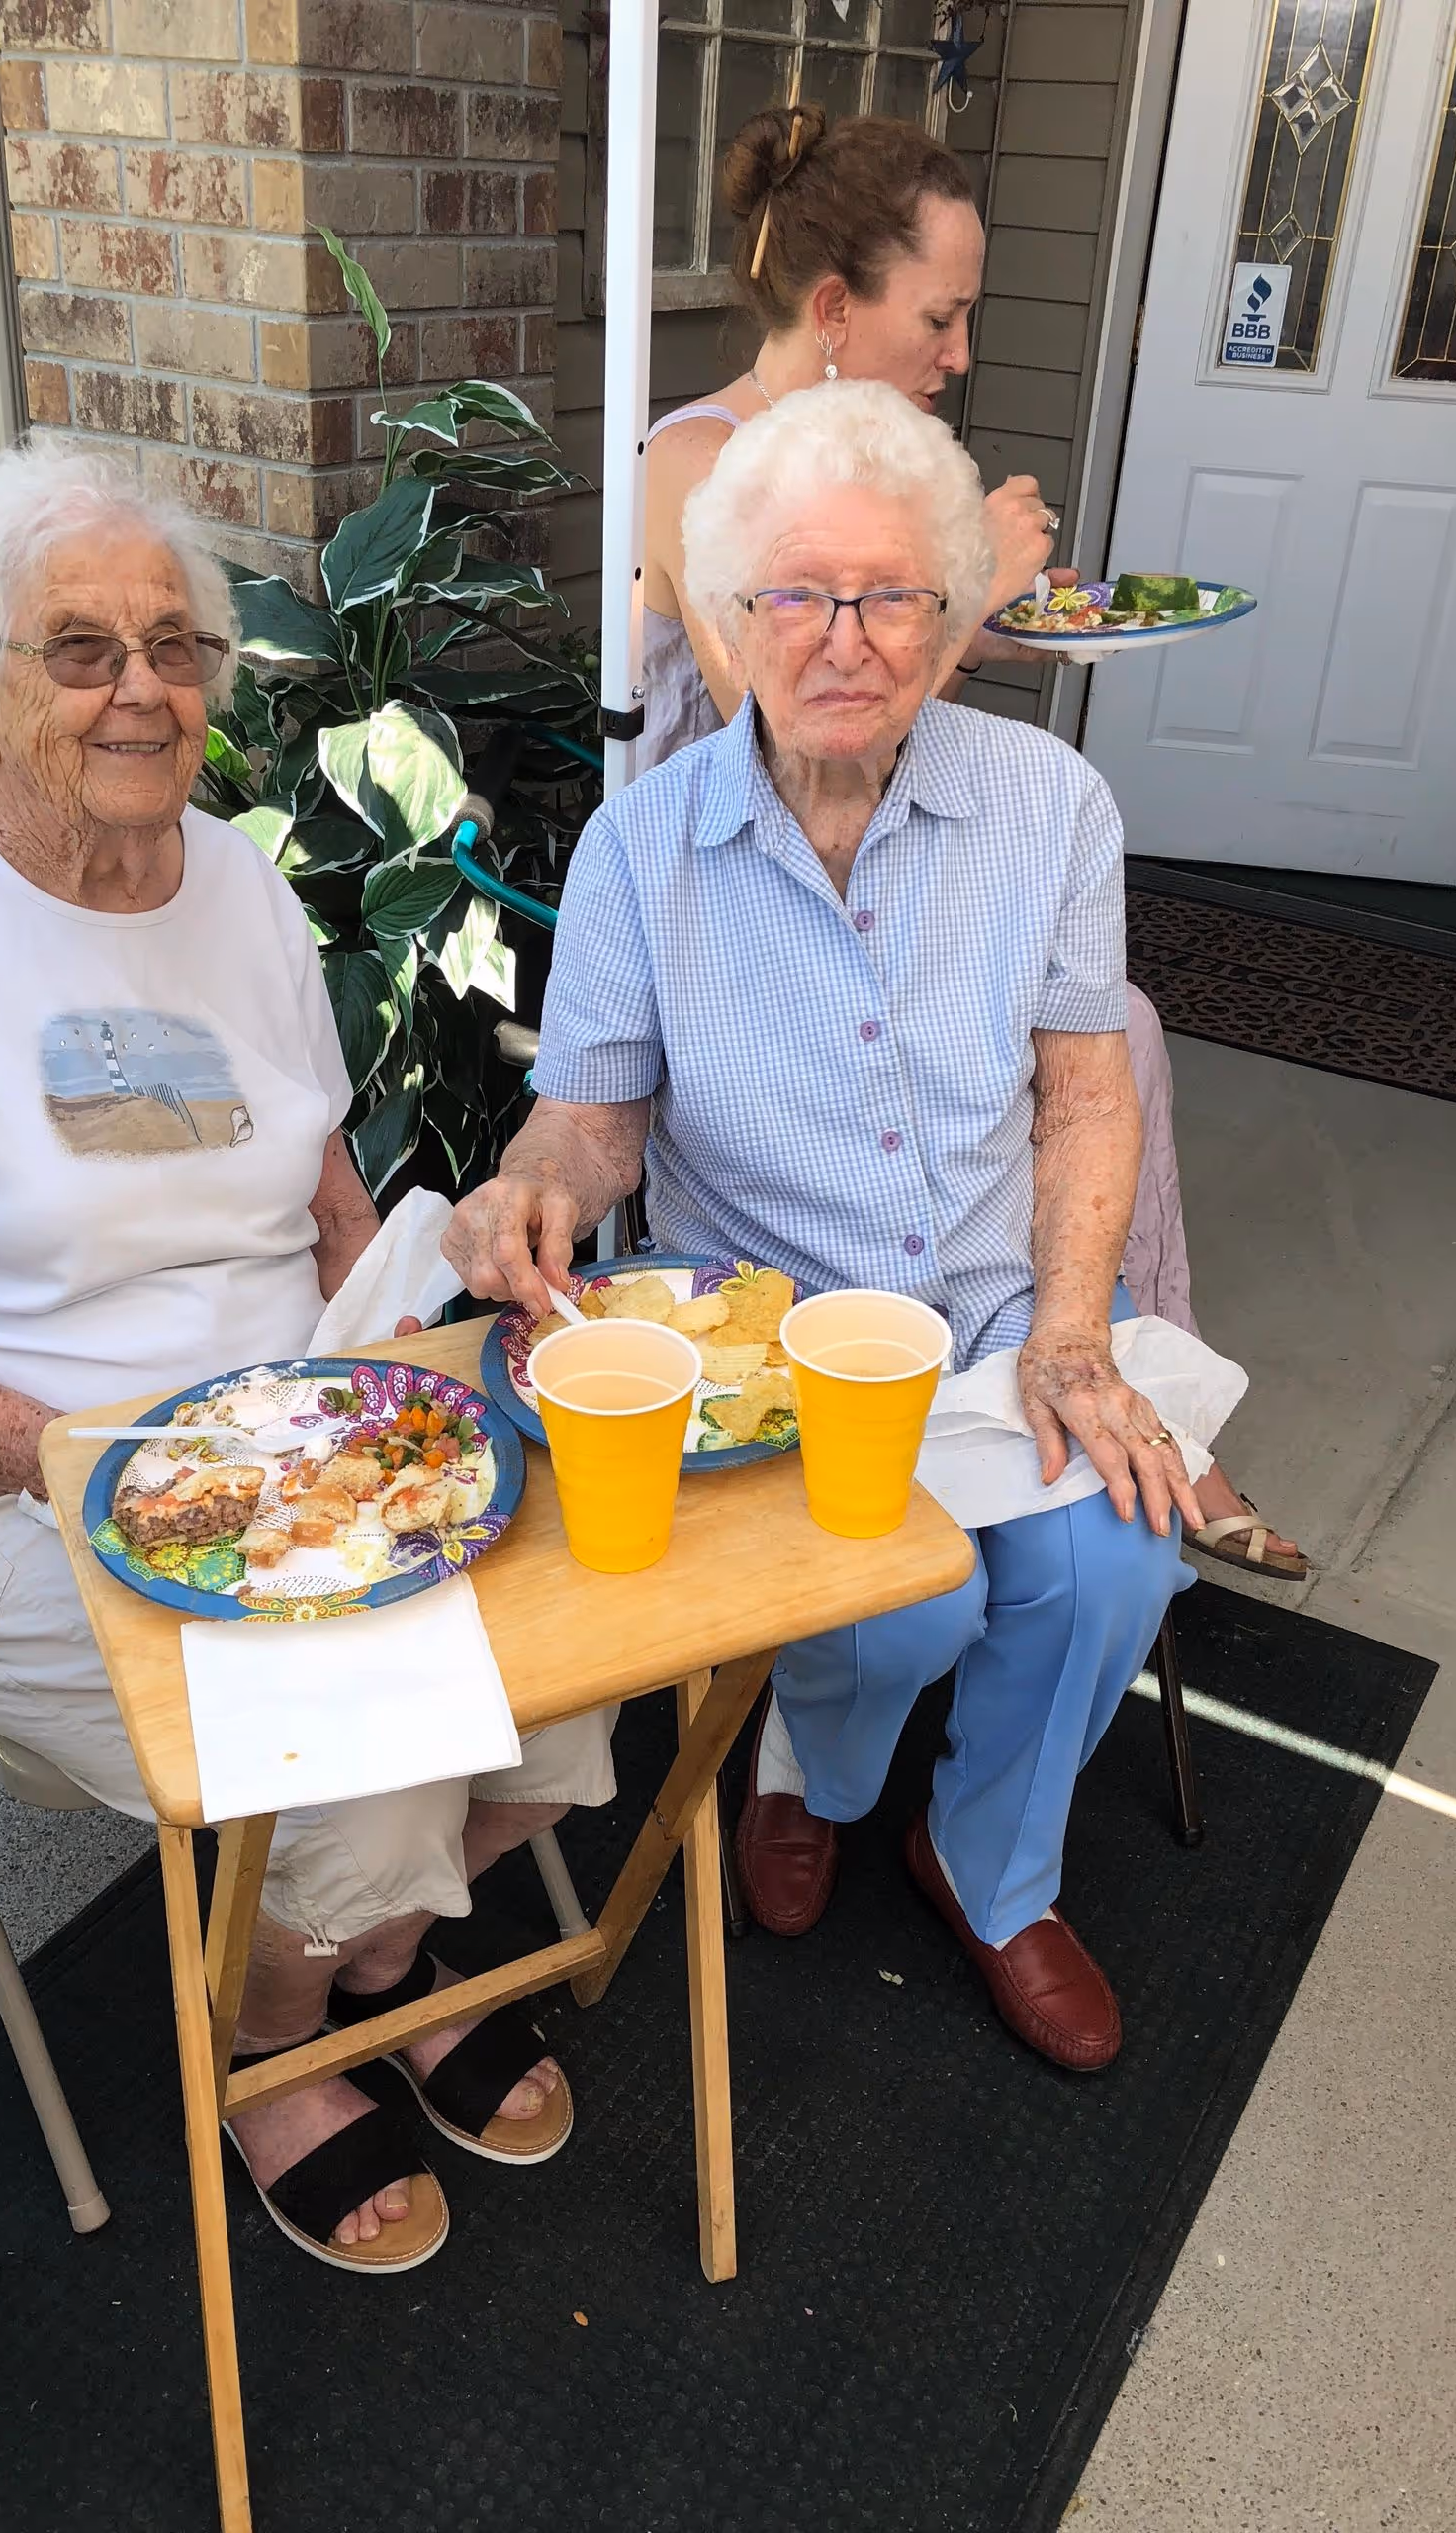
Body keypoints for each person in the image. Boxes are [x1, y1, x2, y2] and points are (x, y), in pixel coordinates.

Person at [0, 443, 606, 2276]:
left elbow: (314, 1194)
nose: (141, 685)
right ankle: (267, 2034)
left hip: (298, 1426)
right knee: (363, 1742)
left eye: (175, 643)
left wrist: (416, 1332)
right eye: (78, 649)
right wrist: (95, 1462)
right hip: (8, 1474)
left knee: (572, 1634)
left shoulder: (231, 882)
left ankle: (385, 1953)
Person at [445, 380, 1200, 2067]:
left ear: (946, 610)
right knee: (903, 1602)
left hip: (1000, 1315)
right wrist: (534, 1196)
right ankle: (815, 1769)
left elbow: (1088, 1094)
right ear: (729, 614)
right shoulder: (647, 848)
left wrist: (1075, 1337)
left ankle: (991, 1866)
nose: (843, 638)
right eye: (797, 592)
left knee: (1111, 1554)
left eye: (889, 594)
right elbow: (591, 1116)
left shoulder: (1050, 811)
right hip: (775, 1343)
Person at [641, 104, 1303, 1584]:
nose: (956, 355)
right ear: (833, 315)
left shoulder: (888, 462)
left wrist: (997, 619)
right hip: (751, 904)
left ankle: (1114, 1378)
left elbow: (901, 696)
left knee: (1107, 1038)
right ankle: (1071, 1410)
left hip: (916, 868)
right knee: (1079, 1050)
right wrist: (960, 598)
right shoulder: (698, 467)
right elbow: (789, 718)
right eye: (938, 318)